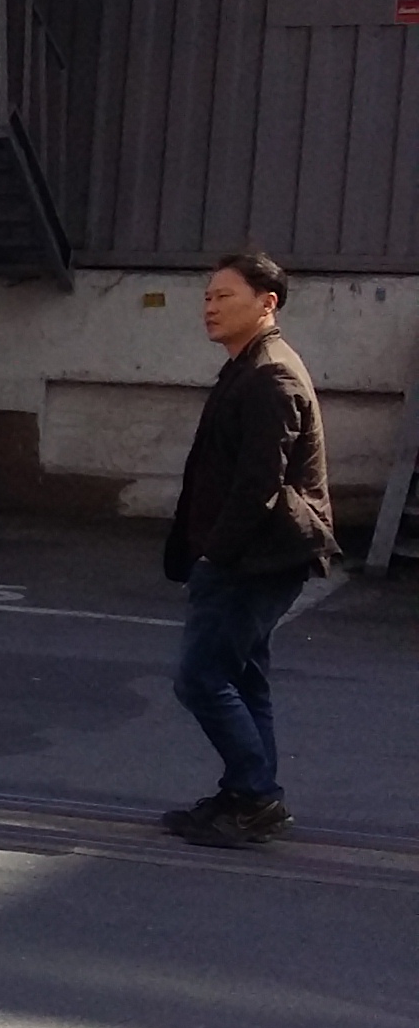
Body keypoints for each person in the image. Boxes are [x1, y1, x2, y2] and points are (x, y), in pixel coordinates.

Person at [160, 249, 336, 848]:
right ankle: (245, 793)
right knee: (243, 678)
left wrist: (216, 554)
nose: (210, 308)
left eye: (224, 296)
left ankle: (257, 797)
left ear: (267, 303)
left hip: (254, 557)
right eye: (207, 297)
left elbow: (259, 483)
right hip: (250, 553)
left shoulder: (271, 375)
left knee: (202, 679)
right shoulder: (248, 365)